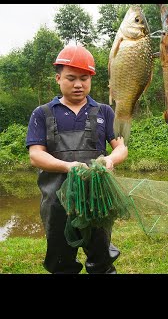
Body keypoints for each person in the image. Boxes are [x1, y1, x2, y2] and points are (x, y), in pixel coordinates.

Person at [26, 44, 128, 274]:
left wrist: (110, 160)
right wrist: (67, 166)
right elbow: (36, 155)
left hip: (98, 199)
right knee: (61, 260)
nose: (79, 84)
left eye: (84, 78)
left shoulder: (104, 112)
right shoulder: (42, 113)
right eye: (71, 78)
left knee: (101, 256)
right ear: (58, 78)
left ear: (91, 78)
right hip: (56, 202)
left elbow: (121, 148)